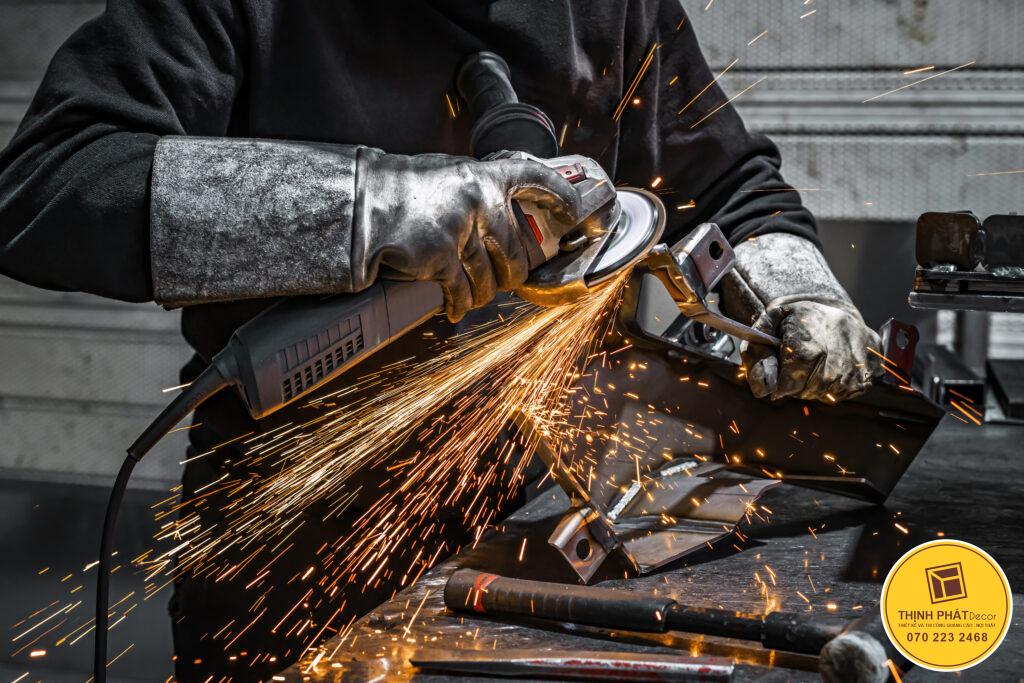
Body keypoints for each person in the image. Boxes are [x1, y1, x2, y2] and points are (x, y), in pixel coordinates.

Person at [0, 1, 881, 679]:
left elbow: (730, 181)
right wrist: (371, 205)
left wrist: (794, 282)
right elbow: (51, 185)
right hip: (289, 520)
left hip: (535, 519)